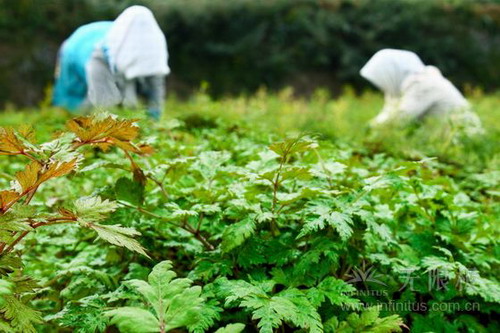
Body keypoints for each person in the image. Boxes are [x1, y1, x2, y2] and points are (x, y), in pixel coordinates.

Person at [53, 6, 170, 120]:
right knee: (73, 102)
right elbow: (106, 107)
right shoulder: (98, 60)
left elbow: (155, 93)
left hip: (106, 48)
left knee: (123, 96)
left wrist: (153, 120)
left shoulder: (152, 55)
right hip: (75, 50)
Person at [360, 49, 483, 136]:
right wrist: (369, 128)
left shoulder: (423, 85)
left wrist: (368, 130)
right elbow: (388, 112)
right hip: (444, 142)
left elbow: (400, 119)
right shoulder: (403, 88)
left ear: (390, 72)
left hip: (465, 140)